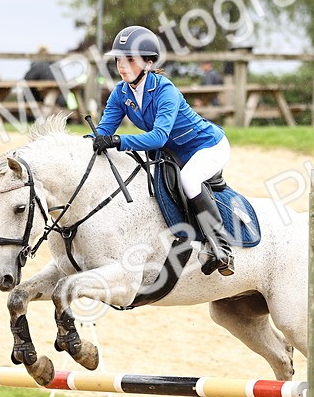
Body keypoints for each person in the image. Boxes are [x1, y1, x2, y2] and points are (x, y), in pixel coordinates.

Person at [91, 25, 235, 276]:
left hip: (207, 146)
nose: (121, 66)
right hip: (172, 154)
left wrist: (118, 141)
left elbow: (158, 137)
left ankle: (220, 247)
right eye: (118, 60)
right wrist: (89, 142)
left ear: (147, 63)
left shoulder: (164, 89)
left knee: (189, 179)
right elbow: (102, 132)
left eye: (129, 60)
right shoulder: (120, 92)